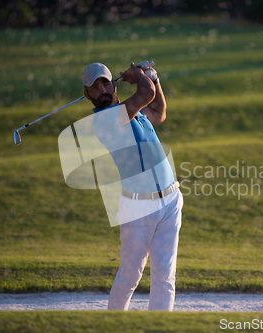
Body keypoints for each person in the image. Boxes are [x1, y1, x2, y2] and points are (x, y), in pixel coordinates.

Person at [81, 62, 183, 311]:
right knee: (130, 276)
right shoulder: (105, 121)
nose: (103, 90)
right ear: (87, 94)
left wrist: (154, 78)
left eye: (105, 82)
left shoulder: (133, 112)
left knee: (164, 277)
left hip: (170, 201)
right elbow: (145, 95)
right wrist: (138, 75)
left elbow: (158, 110)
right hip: (138, 207)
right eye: (95, 87)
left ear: (114, 84)